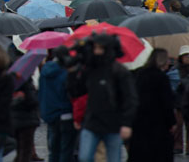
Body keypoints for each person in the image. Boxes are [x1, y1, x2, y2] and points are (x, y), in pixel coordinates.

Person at [67, 34, 138, 162]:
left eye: (100, 48)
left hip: (113, 123)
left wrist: (126, 123)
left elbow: (130, 99)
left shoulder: (119, 71)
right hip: (92, 122)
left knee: (113, 158)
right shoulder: (91, 69)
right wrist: (72, 73)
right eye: (95, 48)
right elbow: (76, 91)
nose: (96, 52)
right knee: (85, 157)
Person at [129, 48, 175, 162]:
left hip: (139, 121)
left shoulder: (140, 74)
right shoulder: (161, 77)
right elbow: (166, 102)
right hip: (158, 123)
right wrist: (172, 122)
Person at [39, 55, 76, 162]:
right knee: (66, 149)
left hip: (50, 113)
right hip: (66, 113)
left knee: (53, 150)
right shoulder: (66, 73)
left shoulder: (45, 71)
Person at [11, 78, 40, 162]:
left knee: (20, 151)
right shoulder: (25, 81)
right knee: (24, 153)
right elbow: (32, 101)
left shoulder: (10, 78)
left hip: (14, 119)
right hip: (26, 120)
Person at [175, 45, 189, 154]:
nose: (188, 58)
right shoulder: (175, 70)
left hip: (188, 102)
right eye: (185, 56)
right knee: (178, 125)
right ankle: (177, 146)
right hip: (179, 102)